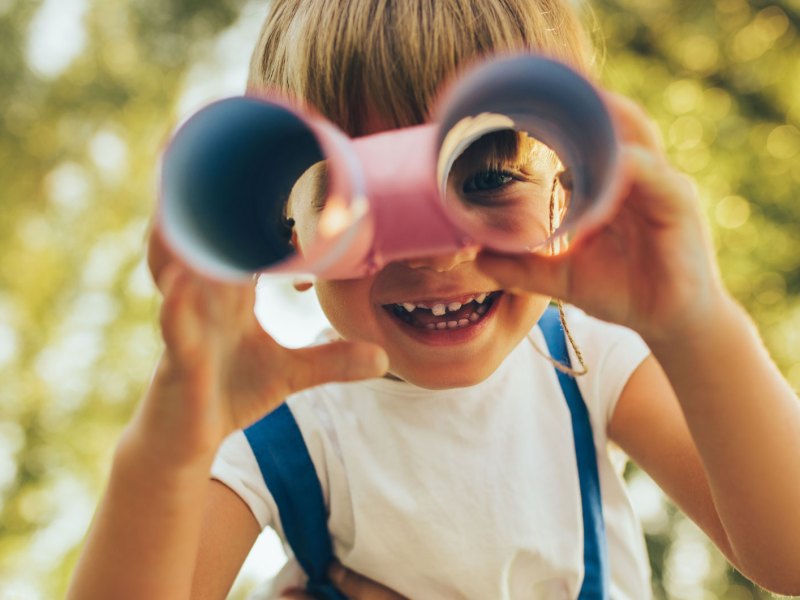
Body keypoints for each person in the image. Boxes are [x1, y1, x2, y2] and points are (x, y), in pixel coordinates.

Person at [66, 1, 800, 599]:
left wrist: (697, 326)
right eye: (358, 196)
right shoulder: (275, 427)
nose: (435, 250)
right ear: (281, 229)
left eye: (485, 178)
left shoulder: (585, 355)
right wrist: (168, 443)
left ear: (570, 191)